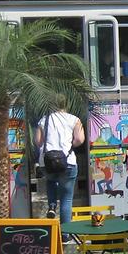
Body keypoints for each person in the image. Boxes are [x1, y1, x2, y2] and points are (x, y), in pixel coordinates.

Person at [35, 94, 85, 229]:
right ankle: (65, 234)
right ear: (66, 104)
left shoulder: (43, 120)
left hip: (47, 162)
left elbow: (38, 142)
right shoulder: (74, 120)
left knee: (51, 180)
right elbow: (80, 139)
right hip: (67, 161)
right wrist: (70, 146)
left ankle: (51, 205)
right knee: (66, 199)